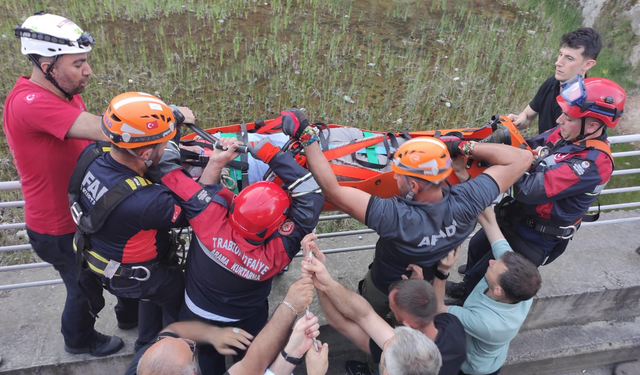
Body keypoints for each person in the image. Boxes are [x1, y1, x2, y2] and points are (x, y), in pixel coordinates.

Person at [280, 109, 533, 321]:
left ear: (413, 187)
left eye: (398, 174)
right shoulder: (467, 200)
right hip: (426, 285)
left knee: (372, 319)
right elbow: (521, 158)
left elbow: (332, 190)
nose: (395, 176)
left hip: (384, 285)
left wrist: (307, 136)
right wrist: (463, 146)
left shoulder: (396, 217)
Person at [146, 125, 324, 374]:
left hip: (195, 315)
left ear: (234, 205)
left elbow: (167, 169)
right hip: (249, 320)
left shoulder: (208, 217)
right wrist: (269, 152)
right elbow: (311, 194)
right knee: (253, 357)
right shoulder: (276, 255)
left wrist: (217, 161)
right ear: (276, 227)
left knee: (206, 361)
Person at [3, 12, 128, 356]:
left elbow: (89, 141)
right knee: (83, 288)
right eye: (78, 63)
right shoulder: (32, 103)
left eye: (86, 61)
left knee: (106, 273)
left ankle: (128, 312)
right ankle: (79, 342)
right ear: (47, 65)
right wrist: (164, 117)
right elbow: (108, 131)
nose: (88, 71)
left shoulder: (64, 93)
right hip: (57, 227)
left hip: (78, 215)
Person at [448, 75, 626, 300]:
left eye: (568, 117)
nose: (559, 119)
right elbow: (527, 147)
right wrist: (489, 142)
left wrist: (489, 160)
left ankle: (467, 304)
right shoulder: (567, 134)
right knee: (477, 246)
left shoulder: (593, 162)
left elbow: (528, 189)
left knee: (493, 275)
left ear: (592, 125)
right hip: (515, 216)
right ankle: (466, 287)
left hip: (536, 235)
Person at [68, 92, 196, 350]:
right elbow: (193, 209)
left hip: (99, 259)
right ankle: (165, 349)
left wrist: (170, 128)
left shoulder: (92, 155)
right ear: (147, 152)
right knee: (178, 300)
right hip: (140, 276)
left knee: (148, 294)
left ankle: (135, 329)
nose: (167, 147)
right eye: (164, 144)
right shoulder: (145, 200)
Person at [300, 234, 464, 375]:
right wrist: (325, 282)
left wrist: (322, 288)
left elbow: (342, 323)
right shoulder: (452, 331)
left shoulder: (394, 355)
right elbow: (367, 316)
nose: (386, 343)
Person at [127, 277, 323, 375]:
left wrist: (212, 334)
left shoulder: (143, 368)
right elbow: (251, 366)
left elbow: (173, 332)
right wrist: (289, 306)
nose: (188, 340)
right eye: (190, 347)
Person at [434, 207, 542, 375]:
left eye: (493, 267)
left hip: (474, 368)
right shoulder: (521, 283)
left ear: (498, 290)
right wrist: (477, 194)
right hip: (491, 352)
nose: (491, 261)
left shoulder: (489, 324)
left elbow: (438, 309)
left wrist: (442, 270)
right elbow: (490, 224)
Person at [508, 28, 601, 134]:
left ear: (588, 64)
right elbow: (528, 116)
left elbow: (579, 147)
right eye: (560, 54)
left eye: (569, 58)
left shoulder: (588, 103)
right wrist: (520, 119)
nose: (558, 63)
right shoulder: (552, 83)